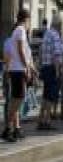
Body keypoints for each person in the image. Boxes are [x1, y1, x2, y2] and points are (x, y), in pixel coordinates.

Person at [4, 9, 34, 142]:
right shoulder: (21, 30)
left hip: (15, 69)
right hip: (18, 70)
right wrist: (26, 67)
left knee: (16, 100)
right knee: (18, 99)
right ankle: (8, 129)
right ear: (26, 19)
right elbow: (21, 50)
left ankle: (13, 129)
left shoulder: (16, 31)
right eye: (29, 20)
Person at [37, 15, 63, 130]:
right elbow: (57, 55)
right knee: (50, 96)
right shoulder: (56, 35)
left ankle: (40, 119)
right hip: (53, 68)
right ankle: (47, 120)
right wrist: (58, 71)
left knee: (45, 94)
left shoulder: (47, 34)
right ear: (59, 25)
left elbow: (41, 51)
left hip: (45, 67)